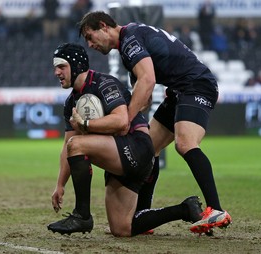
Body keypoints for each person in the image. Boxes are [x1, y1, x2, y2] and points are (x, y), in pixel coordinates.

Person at [78, 11, 232, 234]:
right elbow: (145, 97)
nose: (90, 45)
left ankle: (216, 209)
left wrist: (124, 121)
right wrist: (126, 120)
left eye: (90, 37)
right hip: (179, 90)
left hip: (196, 86)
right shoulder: (129, 44)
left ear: (104, 26)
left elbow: (148, 80)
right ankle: (143, 215)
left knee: (185, 143)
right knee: (148, 147)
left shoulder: (129, 40)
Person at [47, 43, 203, 237]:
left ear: (76, 65)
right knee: (122, 228)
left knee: (78, 144)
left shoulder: (104, 84)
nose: (56, 72)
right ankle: (184, 209)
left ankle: (82, 215)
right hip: (117, 157)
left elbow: (121, 121)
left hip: (136, 147)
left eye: (61, 66)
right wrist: (60, 185)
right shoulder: (71, 102)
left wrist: (85, 125)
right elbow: (66, 147)